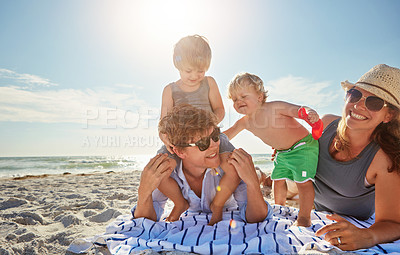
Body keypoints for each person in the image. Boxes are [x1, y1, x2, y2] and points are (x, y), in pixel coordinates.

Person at [133, 105, 272, 225]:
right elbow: (146, 220)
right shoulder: (168, 172)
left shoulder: (228, 165)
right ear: (180, 152)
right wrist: (143, 192)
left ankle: (261, 175)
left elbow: (257, 218)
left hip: (249, 175)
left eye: (216, 136)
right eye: (202, 143)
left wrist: (253, 183)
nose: (214, 145)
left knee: (258, 175)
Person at [314, 64, 400, 250]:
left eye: (374, 102)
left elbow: (393, 223)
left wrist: (368, 236)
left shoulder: (383, 159)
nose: (358, 105)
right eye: (355, 95)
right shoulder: (326, 123)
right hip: (307, 196)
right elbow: (299, 151)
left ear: (388, 116)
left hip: (337, 213)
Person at [156, 35, 239, 225]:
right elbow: (163, 123)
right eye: (188, 71)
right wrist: (166, 138)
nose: (194, 76)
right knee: (159, 170)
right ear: (177, 65)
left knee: (233, 167)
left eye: (200, 70)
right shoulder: (170, 90)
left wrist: (206, 128)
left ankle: (217, 205)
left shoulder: (209, 82)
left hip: (211, 136)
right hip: (183, 142)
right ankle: (179, 203)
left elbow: (219, 109)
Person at [224, 72, 320, 227]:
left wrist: (309, 113)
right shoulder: (244, 122)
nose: (238, 101)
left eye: (243, 96)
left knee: (303, 182)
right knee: (277, 179)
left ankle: (304, 217)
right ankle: (279, 208)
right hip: (282, 153)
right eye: (234, 99)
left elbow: (298, 110)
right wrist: (210, 139)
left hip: (302, 147)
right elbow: (227, 135)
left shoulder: (275, 107)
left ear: (260, 97)